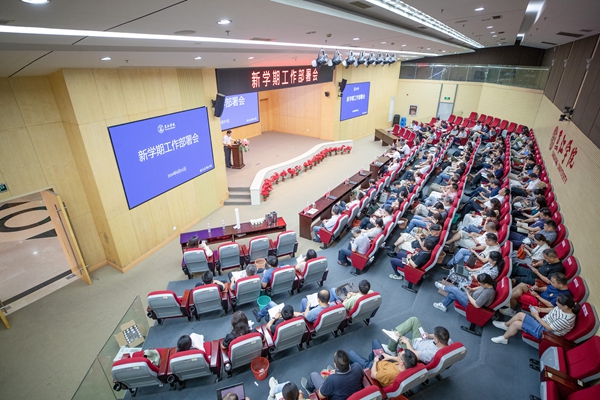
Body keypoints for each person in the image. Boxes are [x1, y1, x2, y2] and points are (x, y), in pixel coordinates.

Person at [491, 294, 580, 345]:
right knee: (520, 314)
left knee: (516, 324)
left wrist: (536, 316)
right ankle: (506, 325)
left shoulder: (566, 319)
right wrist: (540, 309)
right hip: (543, 323)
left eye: (558, 302)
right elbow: (553, 310)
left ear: (565, 306)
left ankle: (504, 338)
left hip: (546, 333)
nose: (556, 303)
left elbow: (549, 328)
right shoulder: (564, 308)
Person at [348, 341, 418, 387]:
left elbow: (373, 374)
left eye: (399, 354)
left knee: (350, 353)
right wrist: (389, 357)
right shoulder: (406, 365)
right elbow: (398, 359)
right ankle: (370, 358)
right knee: (375, 341)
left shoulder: (389, 374)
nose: (398, 353)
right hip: (383, 361)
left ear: (401, 362)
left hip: (372, 367)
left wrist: (375, 361)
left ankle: (352, 370)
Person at [382, 316, 451, 363]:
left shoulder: (430, 353)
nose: (433, 336)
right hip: (423, 340)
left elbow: (414, 354)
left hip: (413, 347)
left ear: (437, 340)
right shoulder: (448, 341)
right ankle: (396, 333)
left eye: (434, 336)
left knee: (396, 336)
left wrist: (407, 342)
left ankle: (391, 350)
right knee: (414, 320)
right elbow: (437, 336)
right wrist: (429, 335)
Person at [500, 273, 570, 317]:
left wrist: (537, 296)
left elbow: (550, 305)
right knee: (522, 285)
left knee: (519, 294)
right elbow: (546, 288)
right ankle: (505, 298)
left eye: (553, 282)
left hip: (539, 303)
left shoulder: (563, 295)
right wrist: (538, 288)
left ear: (561, 285)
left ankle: (503, 301)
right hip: (537, 295)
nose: (551, 283)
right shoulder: (556, 285)